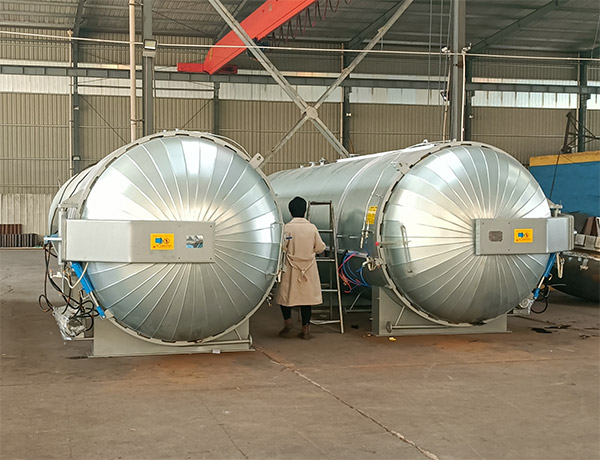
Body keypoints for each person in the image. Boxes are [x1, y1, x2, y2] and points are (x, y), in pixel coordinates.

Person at [274, 196, 326, 340]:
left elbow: (282, 247)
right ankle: (305, 329)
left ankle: (287, 324)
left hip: (291, 268)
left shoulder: (287, 228)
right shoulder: (312, 228)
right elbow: (320, 247)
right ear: (305, 211)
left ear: (290, 212)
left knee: (286, 297)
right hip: (308, 268)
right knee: (306, 299)